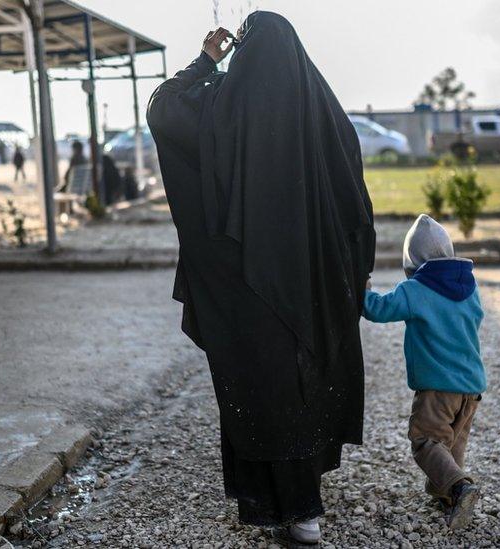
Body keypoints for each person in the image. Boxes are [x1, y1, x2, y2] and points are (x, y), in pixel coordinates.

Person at [147, 12, 375, 544]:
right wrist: (351, 275)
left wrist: (205, 61)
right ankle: (305, 510)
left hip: (246, 290)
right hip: (313, 286)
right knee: (306, 383)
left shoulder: (222, 105)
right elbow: (355, 204)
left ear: (243, 52)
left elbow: (161, 111)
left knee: (261, 390)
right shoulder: (323, 108)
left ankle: (277, 506)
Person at [362, 214, 486, 530]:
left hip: (437, 389)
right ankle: (446, 495)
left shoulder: (415, 289)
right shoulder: (470, 287)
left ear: (412, 261)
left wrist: (362, 288)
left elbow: (378, 309)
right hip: (471, 387)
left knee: (426, 440)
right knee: (452, 442)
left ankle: (459, 488)